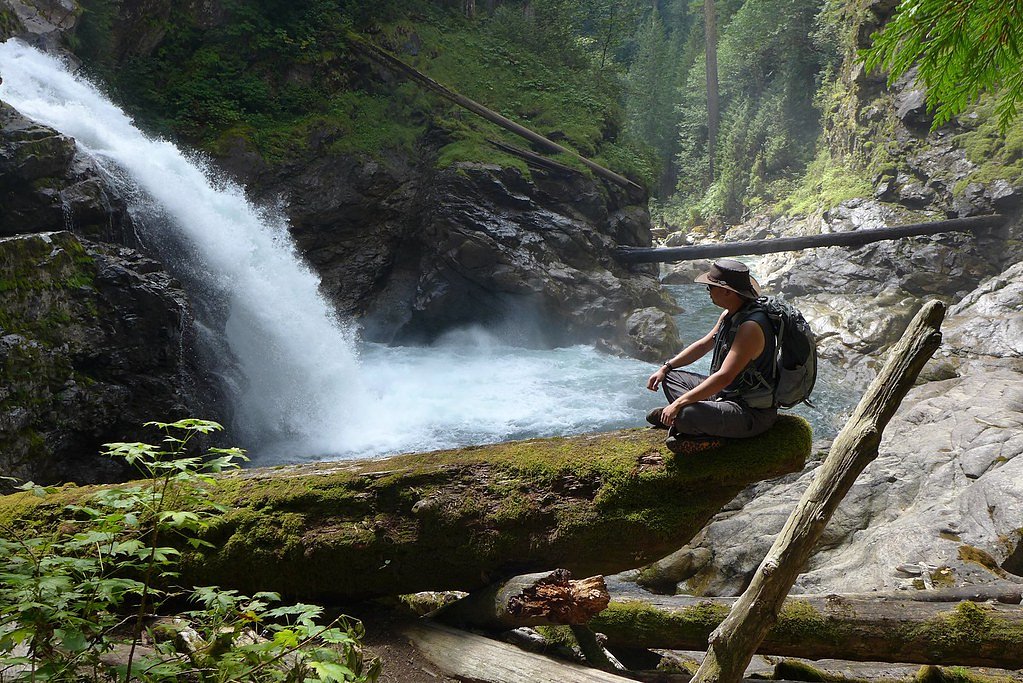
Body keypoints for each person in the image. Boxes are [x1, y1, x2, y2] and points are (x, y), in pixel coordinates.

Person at [645, 259, 778, 454]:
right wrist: (666, 368)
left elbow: (725, 377)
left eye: (710, 287)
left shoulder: (750, 327)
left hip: (751, 412)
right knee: (671, 378)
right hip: (727, 396)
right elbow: (703, 345)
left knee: (686, 414)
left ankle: (698, 427)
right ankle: (691, 417)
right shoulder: (730, 314)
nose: (708, 291)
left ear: (727, 292)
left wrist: (679, 403)